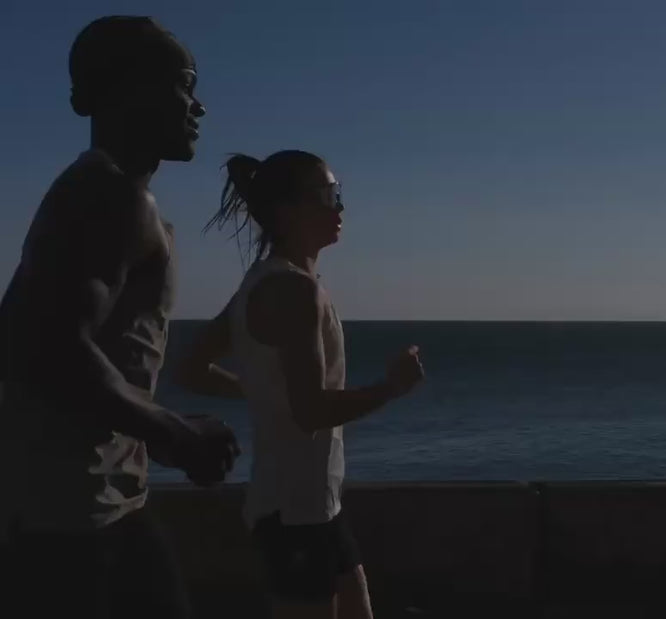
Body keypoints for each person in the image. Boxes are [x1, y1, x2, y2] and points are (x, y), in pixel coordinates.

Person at [0, 16, 241, 619]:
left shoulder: (96, 195)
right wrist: (175, 433)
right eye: (183, 84)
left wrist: (159, 427)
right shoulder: (108, 197)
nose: (198, 106)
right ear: (120, 91)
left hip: (95, 502)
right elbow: (50, 348)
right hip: (71, 517)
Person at [177, 150, 424, 619]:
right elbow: (311, 412)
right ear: (288, 211)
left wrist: (262, 391)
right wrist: (391, 387)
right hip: (294, 513)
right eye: (328, 195)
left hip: (311, 505)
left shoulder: (262, 282)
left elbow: (191, 369)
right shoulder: (293, 290)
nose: (340, 206)